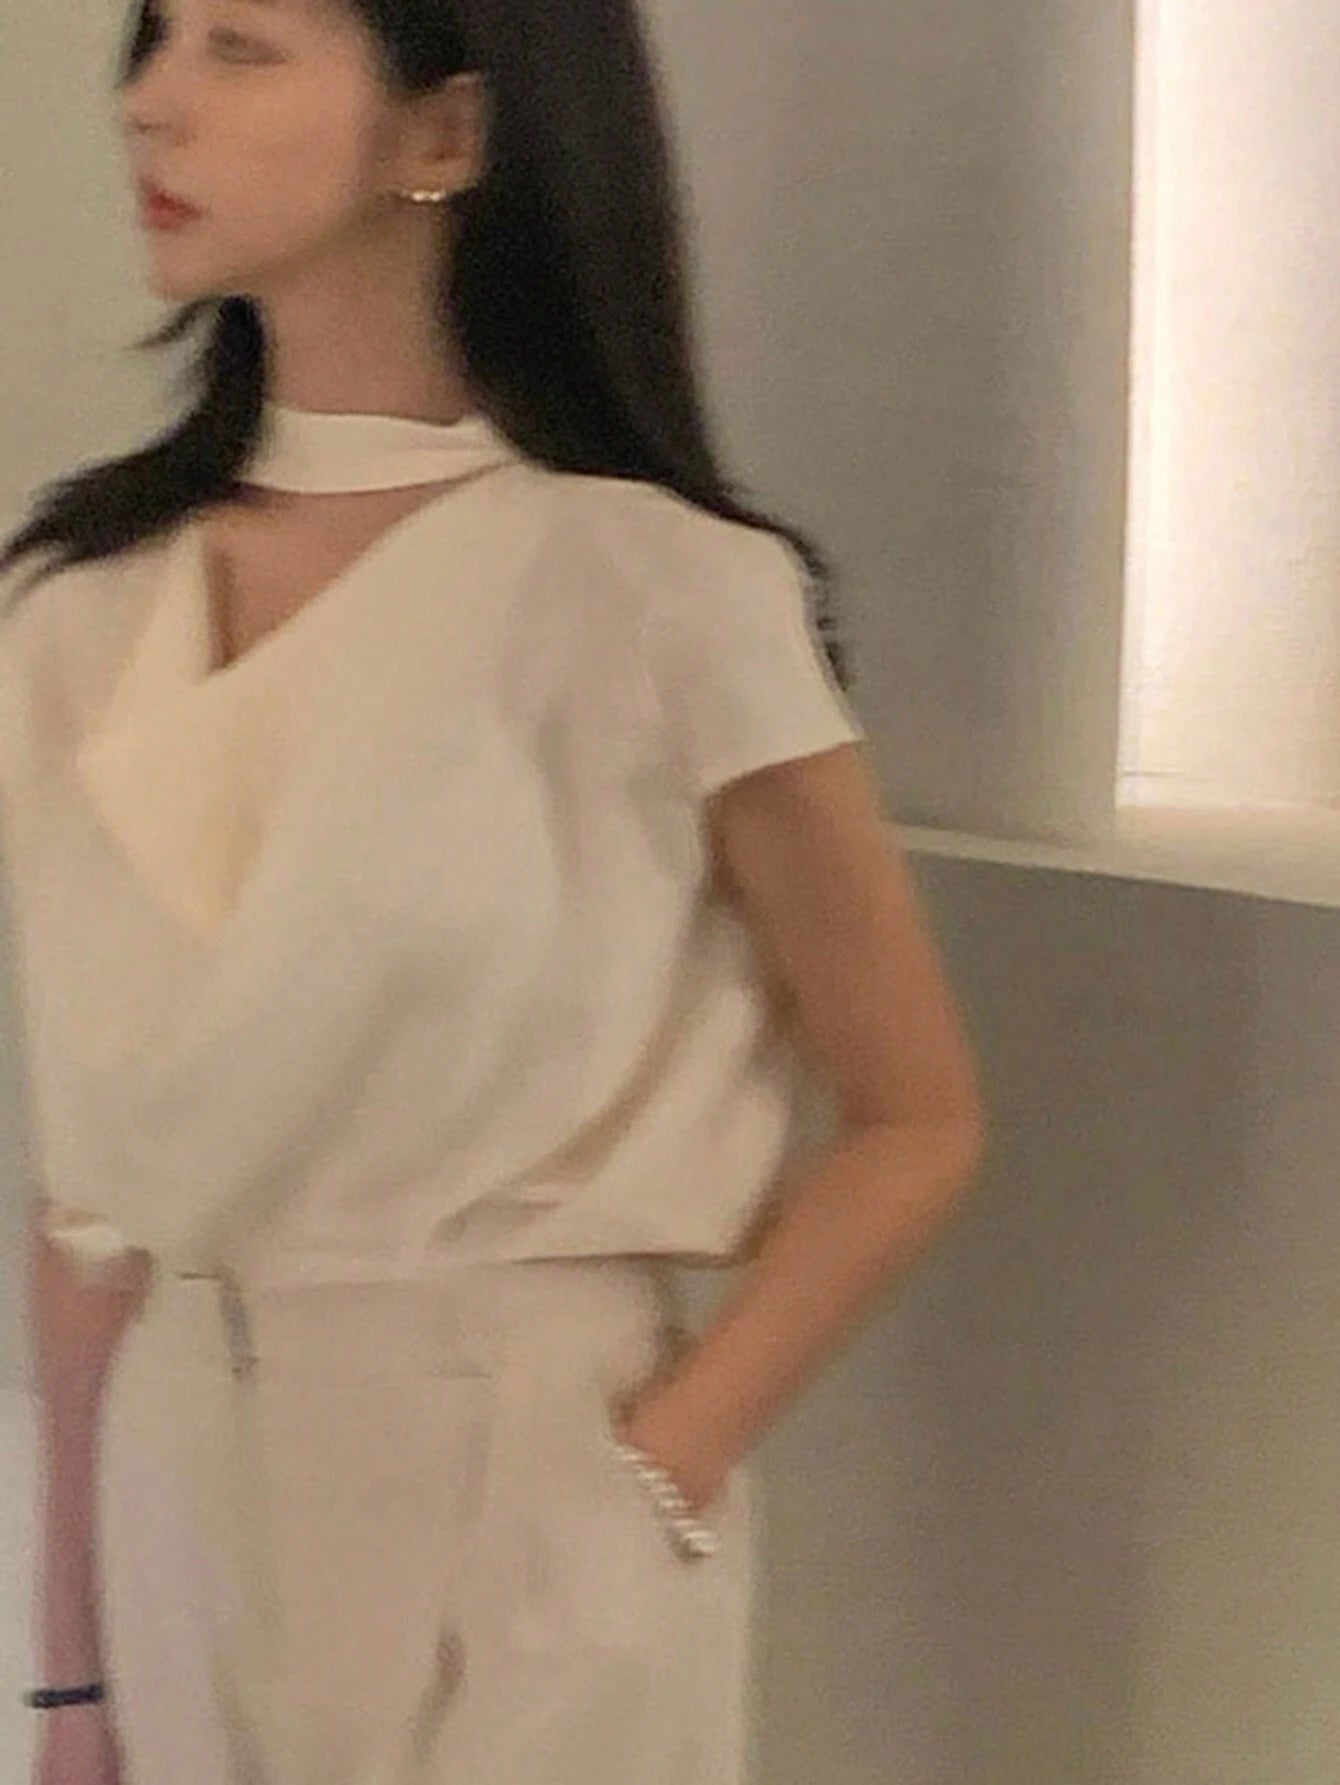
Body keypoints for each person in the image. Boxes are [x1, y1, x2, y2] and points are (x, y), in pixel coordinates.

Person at [2, 0, 987, 1780]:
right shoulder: (77, 601)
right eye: (156, 41)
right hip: (168, 1477)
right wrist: (67, 1677)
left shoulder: (659, 590)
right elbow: (83, 1223)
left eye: (241, 47)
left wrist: (660, 1464)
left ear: (445, 133)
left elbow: (916, 1112)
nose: (150, 102)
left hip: (521, 1475)